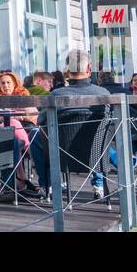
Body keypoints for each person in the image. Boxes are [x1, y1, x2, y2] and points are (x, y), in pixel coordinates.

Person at [45, 50, 112, 198]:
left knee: (37, 137)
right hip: (94, 152)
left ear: (68, 70)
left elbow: (42, 121)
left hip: (64, 154)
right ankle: (99, 182)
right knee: (101, 134)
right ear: (88, 68)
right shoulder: (103, 93)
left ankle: (48, 184)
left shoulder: (56, 95)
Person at [0, 70, 47, 199]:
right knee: (13, 125)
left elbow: (35, 118)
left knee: (15, 125)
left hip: (26, 130)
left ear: (15, 84)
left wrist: (19, 116)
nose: (6, 86)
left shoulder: (23, 97)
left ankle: (20, 178)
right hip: (3, 133)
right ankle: (24, 173)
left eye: (9, 82)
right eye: (3, 83)